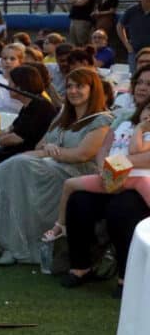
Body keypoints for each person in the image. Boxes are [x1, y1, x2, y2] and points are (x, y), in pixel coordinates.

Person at [0, 67, 111, 265]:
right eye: (69, 86)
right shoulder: (63, 116)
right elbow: (40, 145)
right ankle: (12, 244)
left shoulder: (101, 120)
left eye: (79, 86)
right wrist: (45, 151)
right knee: (15, 173)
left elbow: (81, 154)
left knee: (18, 164)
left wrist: (49, 152)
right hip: (47, 167)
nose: (73, 91)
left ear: (93, 90)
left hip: (75, 175)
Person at [47, 100, 150, 243]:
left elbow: (135, 150)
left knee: (122, 207)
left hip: (136, 178)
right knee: (70, 185)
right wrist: (104, 169)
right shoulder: (124, 124)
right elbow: (104, 149)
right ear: (141, 109)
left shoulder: (146, 133)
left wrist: (140, 128)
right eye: (148, 108)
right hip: (111, 173)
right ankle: (60, 226)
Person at [119, 0, 150, 71]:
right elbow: (119, 26)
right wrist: (127, 44)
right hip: (134, 52)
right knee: (134, 77)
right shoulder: (132, 10)